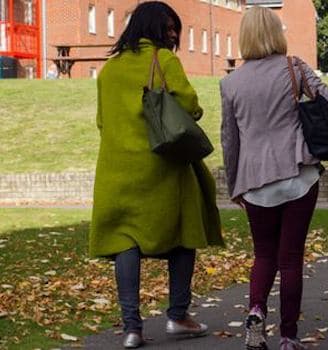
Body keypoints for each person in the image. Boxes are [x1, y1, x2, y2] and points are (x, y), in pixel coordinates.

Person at [89, 2, 223, 348]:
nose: (174, 35)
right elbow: (191, 107)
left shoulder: (109, 70)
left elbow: (103, 121)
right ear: (153, 29)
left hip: (117, 172)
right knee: (181, 234)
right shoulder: (163, 60)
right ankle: (178, 316)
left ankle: (132, 328)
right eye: (169, 28)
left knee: (125, 242)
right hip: (162, 169)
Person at [220, 6, 328, 350]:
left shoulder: (230, 83)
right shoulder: (294, 67)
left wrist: (234, 186)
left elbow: (230, 140)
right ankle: (288, 335)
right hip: (298, 173)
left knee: (263, 255)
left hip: (255, 182)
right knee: (290, 258)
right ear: (276, 33)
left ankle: (256, 310)